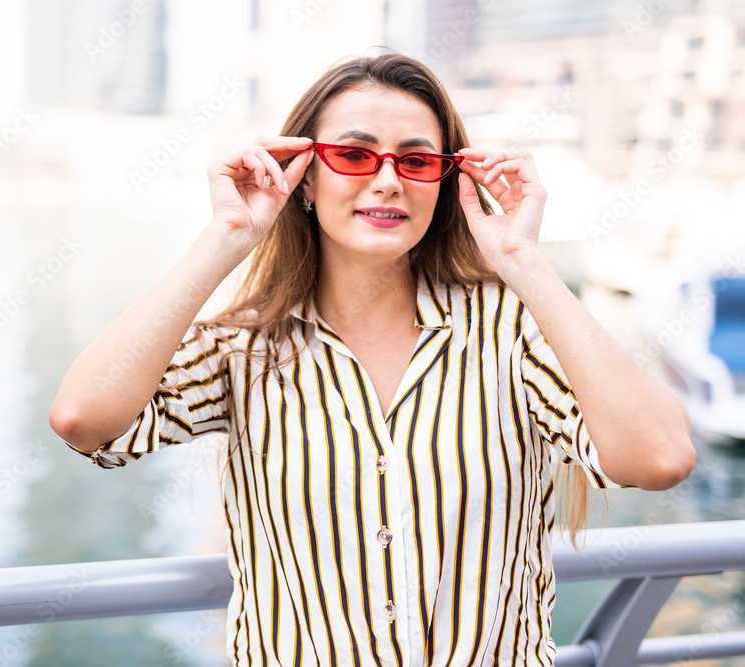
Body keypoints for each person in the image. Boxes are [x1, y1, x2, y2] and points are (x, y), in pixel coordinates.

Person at [49, 52, 695, 666]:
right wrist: (227, 238)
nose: (386, 179)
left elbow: (660, 456)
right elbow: (86, 419)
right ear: (305, 178)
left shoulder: (510, 330)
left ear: (443, 184)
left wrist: (525, 262)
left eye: (416, 162)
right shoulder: (245, 347)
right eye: (354, 155)